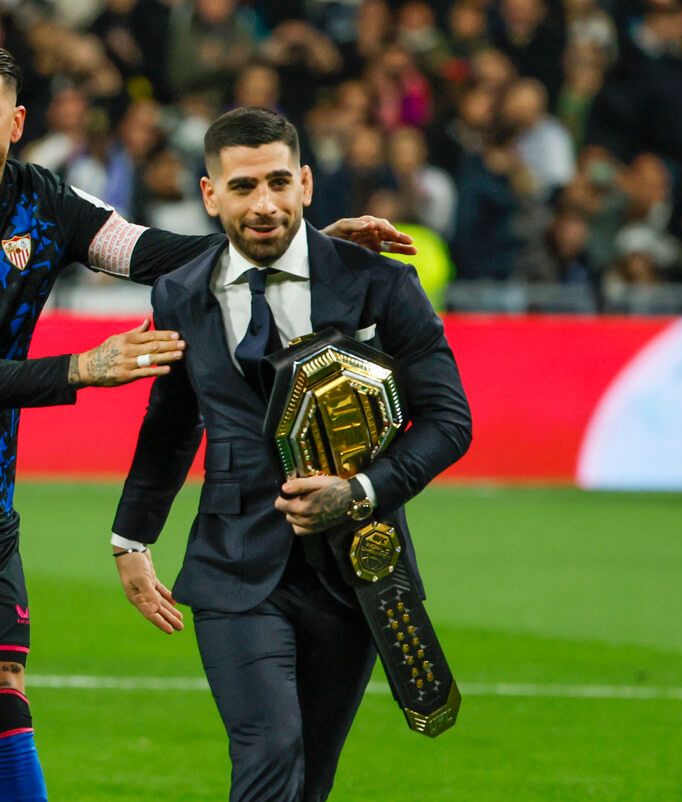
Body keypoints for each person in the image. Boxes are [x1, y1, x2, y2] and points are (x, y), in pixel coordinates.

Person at [0, 40, 415, 802]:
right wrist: (85, 366)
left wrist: (290, 243)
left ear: (16, 122)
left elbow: (155, 253)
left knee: (1, 716)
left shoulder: (47, 203)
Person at [110, 107, 472, 802]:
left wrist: (362, 490)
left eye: (279, 181)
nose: (265, 203)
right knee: (270, 754)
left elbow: (449, 421)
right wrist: (132, 537)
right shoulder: (181, 294)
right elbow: (171, 422)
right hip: (232, 565)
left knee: (310, 779)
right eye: (243, 186)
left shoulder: (379, 283)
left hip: (355, 572)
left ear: (305, 183)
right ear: (211, 195)